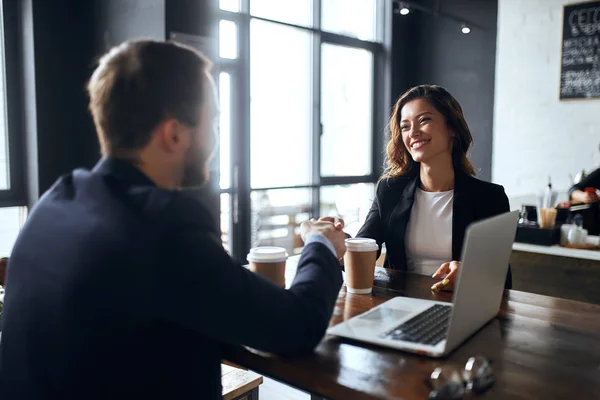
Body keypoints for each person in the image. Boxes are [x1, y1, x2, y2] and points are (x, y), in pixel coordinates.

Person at [0, 40, 347, 399]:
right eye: (212, 121)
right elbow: (296, 327)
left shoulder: (57, 200)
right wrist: (320, 242)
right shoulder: (163, 226)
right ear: (174, 133)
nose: (215, 138)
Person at [356, 85, 512, 292]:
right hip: (400, 305)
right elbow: (363, 246)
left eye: (424, 120)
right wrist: (335, 242)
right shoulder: (389, 191)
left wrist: (470, 272)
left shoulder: (489, 197)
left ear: (452, 128)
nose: (413, 133)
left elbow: (500, 277)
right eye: (405, 127)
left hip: (460, 307)